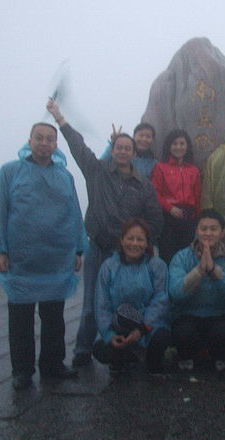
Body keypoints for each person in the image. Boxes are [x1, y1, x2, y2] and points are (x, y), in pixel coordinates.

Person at [46, 99, 163, 368]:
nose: (123, 152)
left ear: (134, 153)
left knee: (126, 302)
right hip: (99, 248)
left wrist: (146, 244)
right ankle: (83, 350)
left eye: (127, 149)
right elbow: (78, 148)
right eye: (119, 147)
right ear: (114, 149)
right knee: (90, 303)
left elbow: (155, 217)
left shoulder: (143, 185)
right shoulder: (97, 171)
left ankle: (128, 343)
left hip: (127, 254)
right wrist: (60, 119)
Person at [0, 122, 85, 390]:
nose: (44, 143)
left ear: (56, 144)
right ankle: (22, 370)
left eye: (49, 139)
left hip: (56, 258)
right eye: (39, 138)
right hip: (22, 259)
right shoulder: (10, 173)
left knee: (54, 316)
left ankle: (53, 364)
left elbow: (74, 213)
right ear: (29, 141)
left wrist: (78, 249)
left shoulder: (65, 176)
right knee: (21, 317)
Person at [169, 209, 225, 372]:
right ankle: (186, 357)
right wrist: (198, 271)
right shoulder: (182, 257)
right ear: (196, 231)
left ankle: (221, 358)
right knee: (183, 332)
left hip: (221, 315)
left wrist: (216, 272)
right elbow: (175, 292)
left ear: (222, 233)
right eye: (203, 228)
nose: (208, 233)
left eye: (213, 229)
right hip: (188, 314)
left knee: (223, 332)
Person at [93, 219, 171, 374]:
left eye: (140, 239)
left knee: (162, 337)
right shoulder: (109, 267)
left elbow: (161, 300)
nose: (134, 244)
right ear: (121, 240)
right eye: (130, 238)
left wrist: (142, 329)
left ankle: (151, 360)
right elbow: (102, 304)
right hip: (119, 325)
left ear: (147, 243)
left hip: (148, 326)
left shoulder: (157, 265)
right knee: (100, 350)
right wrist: (110, 335)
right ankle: (125, 358)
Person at [151, 129, 201, 264]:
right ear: (169, 146)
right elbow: (155, 192)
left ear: (187, 146)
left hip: (188, 218)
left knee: (188, 257)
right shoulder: (160, 167)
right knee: (168, 256)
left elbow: (197, 196)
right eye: (175, 144)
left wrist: (197, 219)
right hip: (168, 217)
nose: (178, 147)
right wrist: (170, 208)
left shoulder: (194, 170)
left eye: (182, 143)